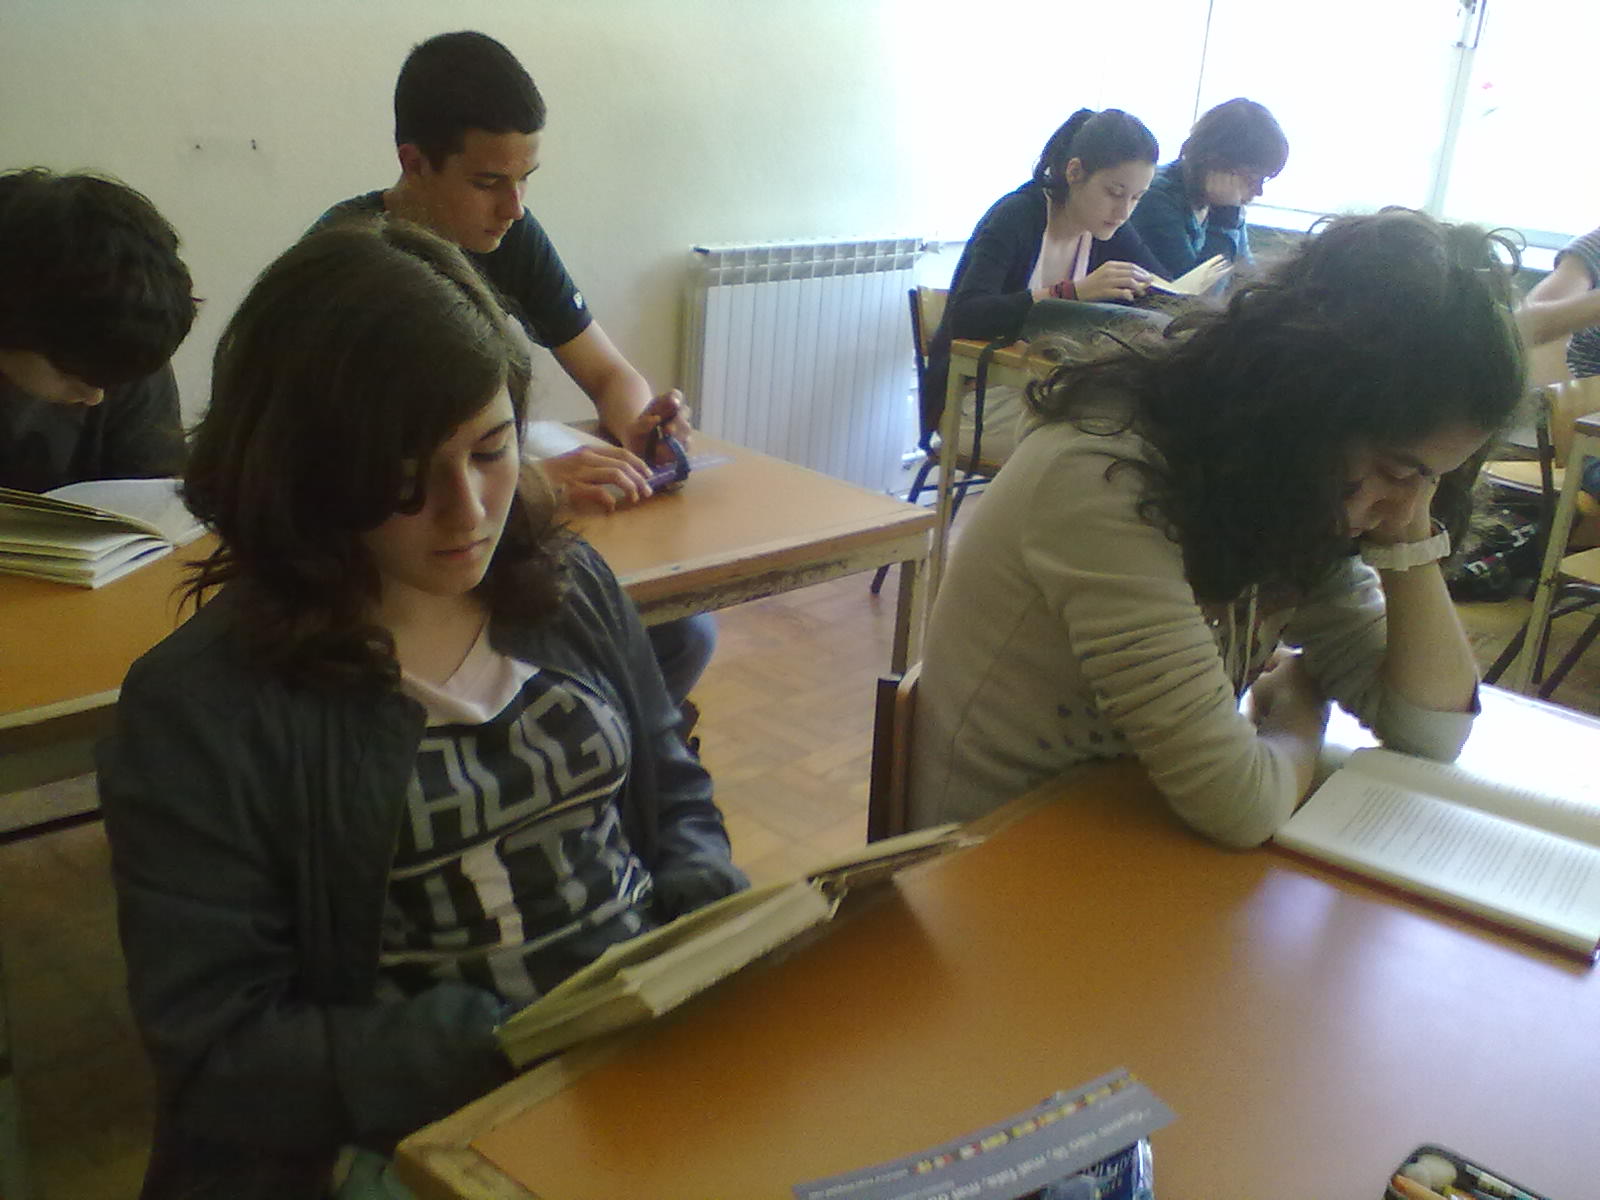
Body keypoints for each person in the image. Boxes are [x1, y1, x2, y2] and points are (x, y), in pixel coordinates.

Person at [97, 220, 748, 1199]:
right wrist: (501, 1043)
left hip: (641, 1065)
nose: (469, 510)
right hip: (425, 1126)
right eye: (406, 474)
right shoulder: (202, 708)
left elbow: (672, 783)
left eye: (491, 451)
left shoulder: (569, 587)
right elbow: (220, 1051)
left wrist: (705, 901)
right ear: (307, 471)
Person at [908, 209, 1523, 846]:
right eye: (1396, 471)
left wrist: (1411, 540)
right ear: (1311, 407)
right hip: (988, 862)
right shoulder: (1101, 472)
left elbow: (1431, 730)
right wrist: (1299, 708)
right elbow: (1241, 804)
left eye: (1433, 480)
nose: (1403, 509)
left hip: (1130, 837)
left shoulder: (1286, 488)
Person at [316, 30, 714, 714]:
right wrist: (527, 483)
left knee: (684, 631)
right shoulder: (349, 264)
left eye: (525, 178)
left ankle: (591, 756)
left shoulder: (508, 235)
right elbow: (345, 474)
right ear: (414, 162)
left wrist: (638, 429)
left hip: (488, 528)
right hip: (391, 562)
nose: (515, 207)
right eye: (488, 183)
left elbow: (610, 374)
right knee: (660, 641)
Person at [924, 108, 1168, 462]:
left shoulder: (1109, 227)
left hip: (1044, 392)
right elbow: (967, 316)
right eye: (1115, 192)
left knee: (1136, 429)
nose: (1124, 211)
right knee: (1110, 444)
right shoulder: (1017, 216)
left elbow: (1161, 289)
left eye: (1136, 198)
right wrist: (1071, 293)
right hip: (974, 400)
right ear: (1074, 172)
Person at [0, 168, 196, 491]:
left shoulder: (123, 342)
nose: (95, 397)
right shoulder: (82, 330)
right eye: (70, 375)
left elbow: (153, 493)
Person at [1128, 97, 1288, 283]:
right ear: (1216, 163)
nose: (1259, 191)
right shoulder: (1156, 199)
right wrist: (1224, 220)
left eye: (1264, 179)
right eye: (1252, 177)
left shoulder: (1221, 202)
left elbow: (1247, 278)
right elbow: (1197, 292)